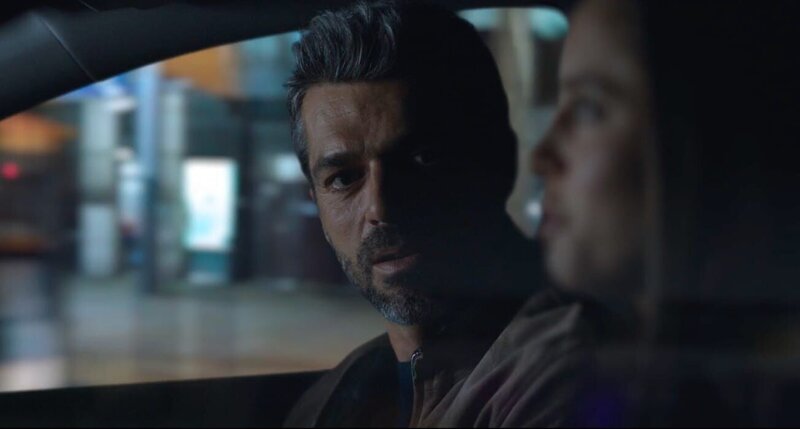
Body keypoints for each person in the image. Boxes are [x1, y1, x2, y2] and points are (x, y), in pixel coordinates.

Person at [282, 1, 553, 426]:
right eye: (344, 178)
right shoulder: (335, 399)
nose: (381, 207)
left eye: (422, 159)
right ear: (316, 200)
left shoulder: (557, 380)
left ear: (497, 162)